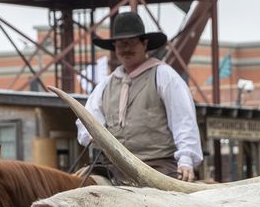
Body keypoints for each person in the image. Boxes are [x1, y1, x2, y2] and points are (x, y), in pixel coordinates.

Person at [78, 11, 203, 182]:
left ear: (145, 44)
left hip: (158, 167)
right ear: (114, 47)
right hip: (113, 168)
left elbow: (184, 121)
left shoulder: (164, 76)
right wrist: (92, 133)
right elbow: (87, 119)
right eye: (121, 44)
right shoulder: (105, 85)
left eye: (131, 43)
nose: (126, 49)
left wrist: (186, 160)